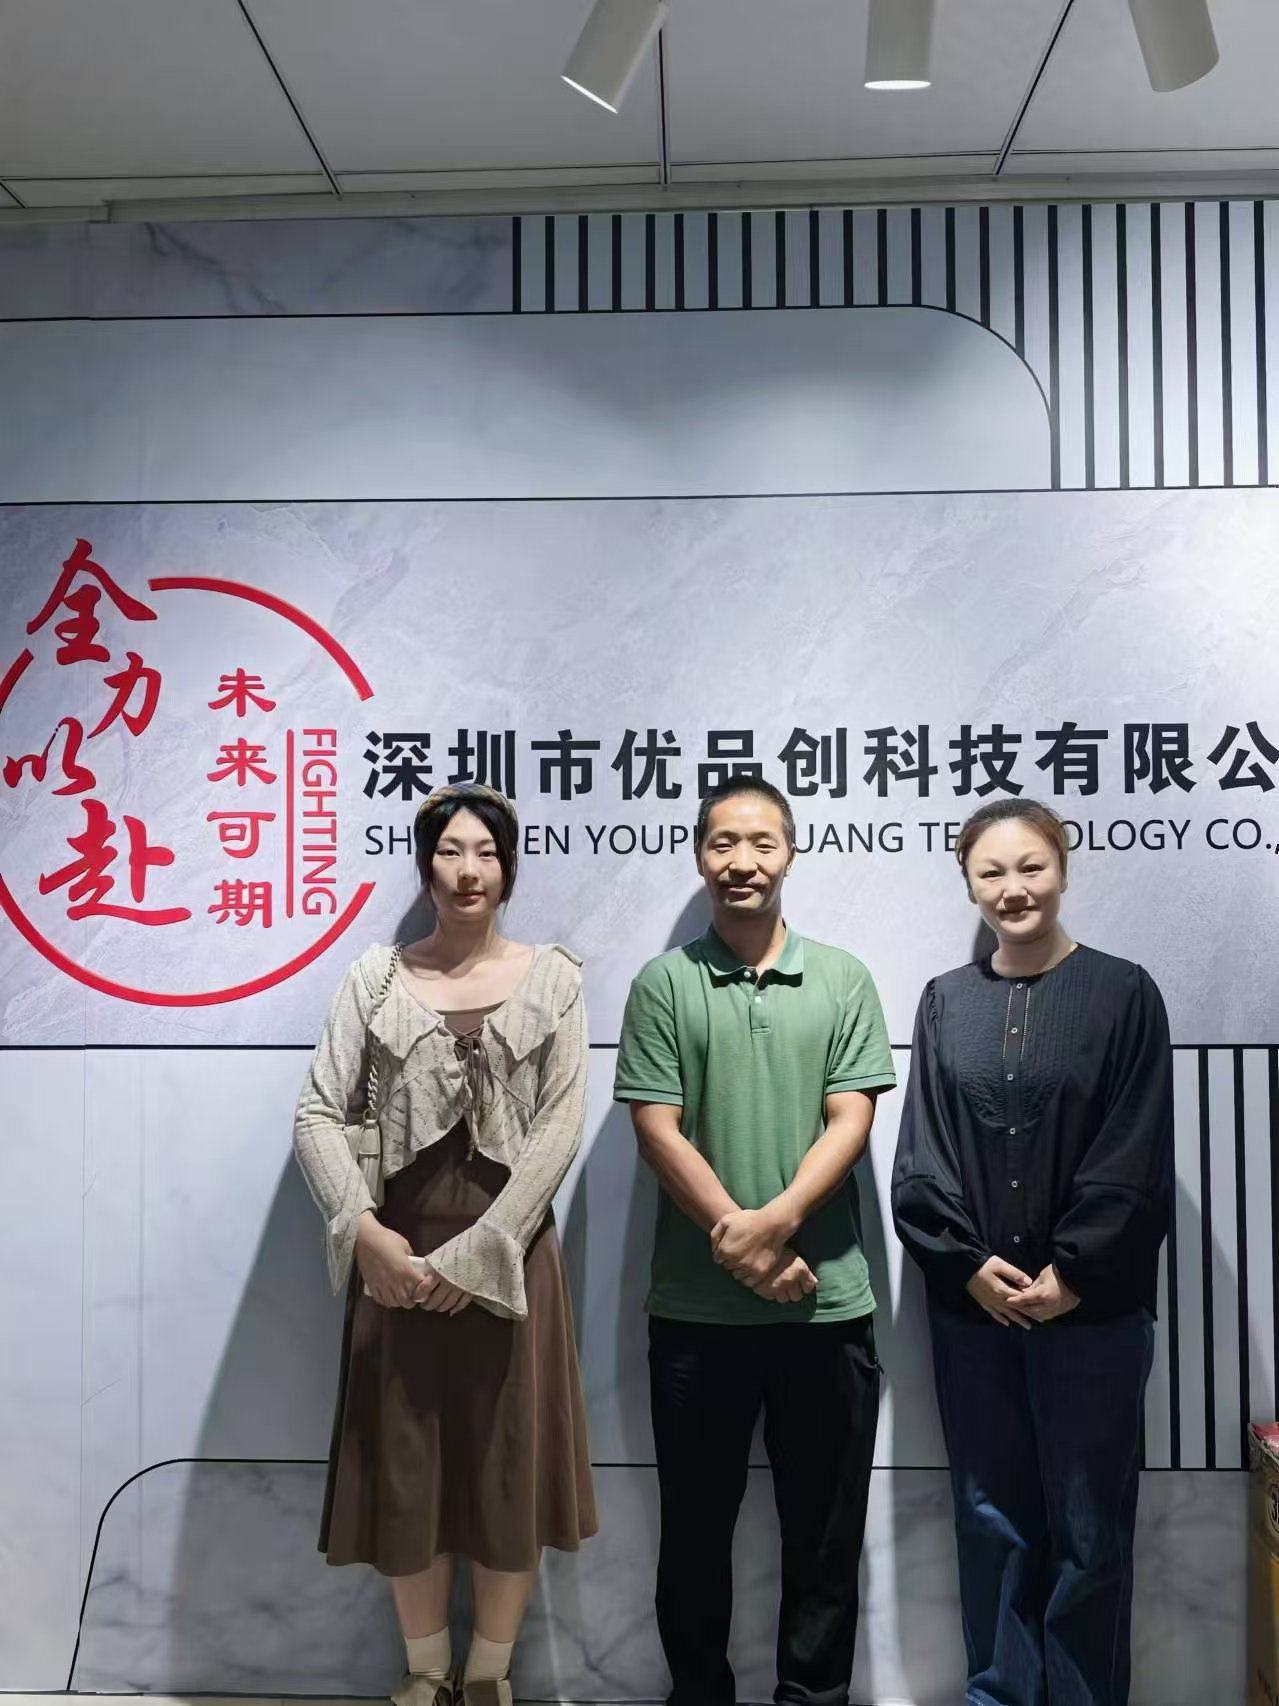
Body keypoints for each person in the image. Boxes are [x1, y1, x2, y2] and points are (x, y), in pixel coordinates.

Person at [293, 783, 597, 1706]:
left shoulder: (554, 978)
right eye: (450, 851)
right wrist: (364, 1233)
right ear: (425, 865)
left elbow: (560, 1126)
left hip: (512, 1259)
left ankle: (490, 1678)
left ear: (510, 869)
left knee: (509, 1469)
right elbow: (316, 1113)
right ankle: (425, 1675)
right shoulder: (374, 978)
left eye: (487, 853)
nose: (469, 871)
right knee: (407, 1466)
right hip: (398, 1259)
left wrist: (484, 1249)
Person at [614, 777, 896, 1706]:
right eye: (723, 844)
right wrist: (747, 1247)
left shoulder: (842, 977)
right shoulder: (664, 983)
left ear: (790, 852)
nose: (742, 862)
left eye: (762, 843)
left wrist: (768, 1230)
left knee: (824, 1536)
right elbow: (656, 1130)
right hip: (696, 1316)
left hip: (826, 1304)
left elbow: (850, 1118)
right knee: (694, 1535)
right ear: (700, 857)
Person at [891, 797, 1172, 1706]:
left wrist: (1073, 1273)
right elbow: (923, 1154)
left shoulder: (1123, 992)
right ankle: (1002, 1695)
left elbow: (1134, 1151)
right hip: (973, 1316)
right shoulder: (945, 1001)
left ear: (1062, 867)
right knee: (990, 1522)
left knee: (1090, 1533)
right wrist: (964, 1265)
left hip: (1094, 1317)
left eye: (1030, 867)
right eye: (991, 872)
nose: (1012, 889)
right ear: (967, 883)